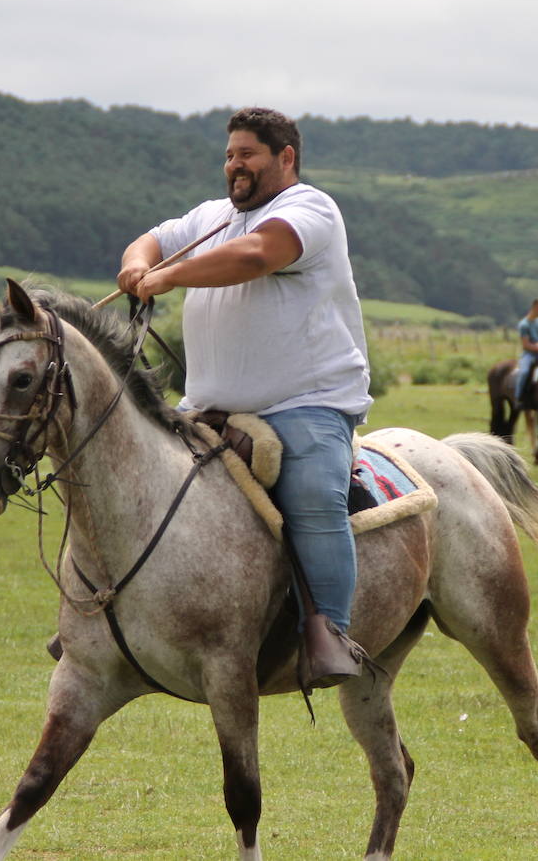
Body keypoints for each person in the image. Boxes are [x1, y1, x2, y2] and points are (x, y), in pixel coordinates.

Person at [118, 107, 372, 688]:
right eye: (230, 153)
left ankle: (329, 634)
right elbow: (152, 240)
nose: (235, 165)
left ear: (285, 158)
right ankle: (114, 619)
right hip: (206, 407)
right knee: (130, 481)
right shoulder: (213, 218)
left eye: (248, 154)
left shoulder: (309, 209)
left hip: (306, 404)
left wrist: (172, 277)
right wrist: (138, 266)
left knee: (312, 498)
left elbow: (258, 256)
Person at [514, 299, 538, 406]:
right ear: (534, 308)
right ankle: (518, 397)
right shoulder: (524, 325)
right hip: (529, 354)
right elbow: (526, 345)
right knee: (524, 372)